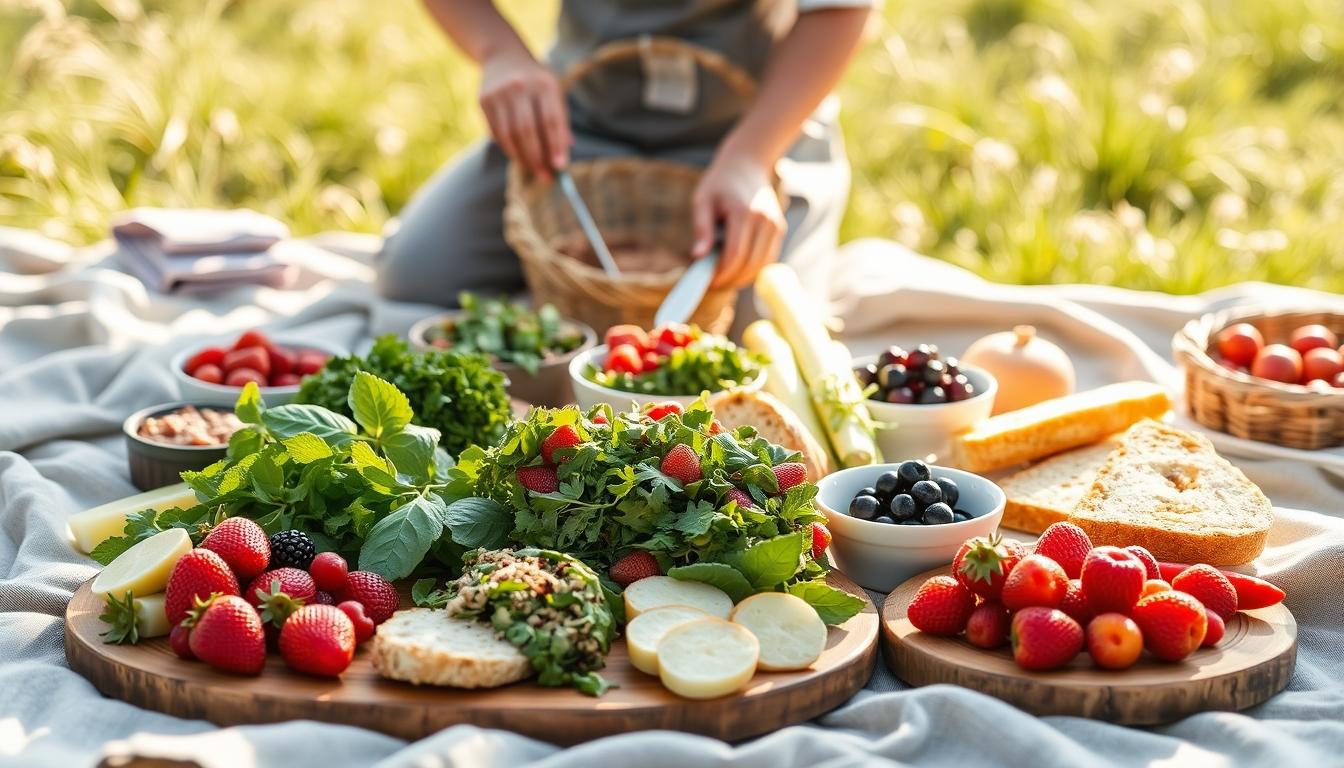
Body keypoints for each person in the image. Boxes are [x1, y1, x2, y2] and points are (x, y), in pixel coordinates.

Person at [378, 0, 872, 321]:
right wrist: (499, 52)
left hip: (758, 127)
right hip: (578, 124)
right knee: (416, 272)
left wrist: (752, 157)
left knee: (763, 327)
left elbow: (841, 10)